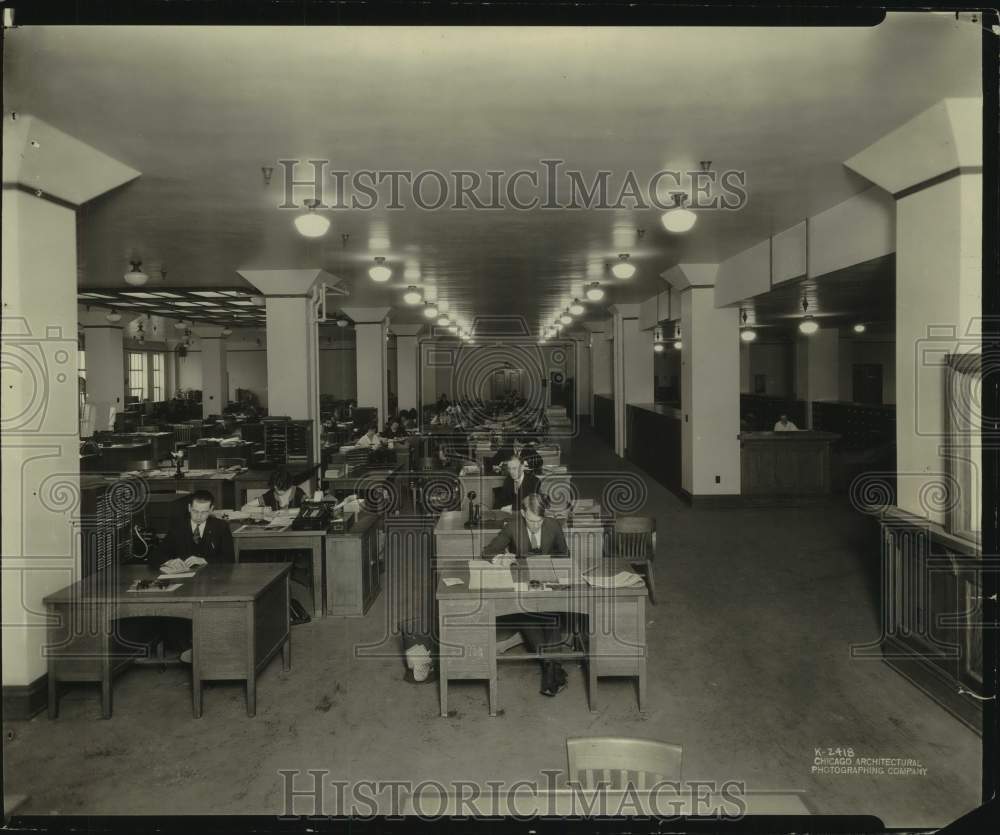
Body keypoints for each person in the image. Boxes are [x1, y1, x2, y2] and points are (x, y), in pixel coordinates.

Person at [483, 494, 570, 696]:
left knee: (552, 618)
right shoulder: (512, 526)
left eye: (538, 521)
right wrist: (501, 559)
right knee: (526, 616)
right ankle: (553, 668)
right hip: (523, 584)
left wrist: (552, 566)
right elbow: (487, 552)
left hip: (548, 582)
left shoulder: (553, 526)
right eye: (530, 521)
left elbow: (565, 555)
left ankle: (549, 668)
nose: (534, 526)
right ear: (523, 513)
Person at [156, 490, 235, 662]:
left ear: (212, 509)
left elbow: (229, 560)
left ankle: (206, 649)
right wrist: (169, 561)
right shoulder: (178, 527)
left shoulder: (221, 527)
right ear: (189, 508)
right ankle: (189, 650)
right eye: (195, 511)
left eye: (204, 512)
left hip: (212, 584)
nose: (199, 516)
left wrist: (205, 560)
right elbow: (156, 555)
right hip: (183, 585)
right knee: (175, 618)